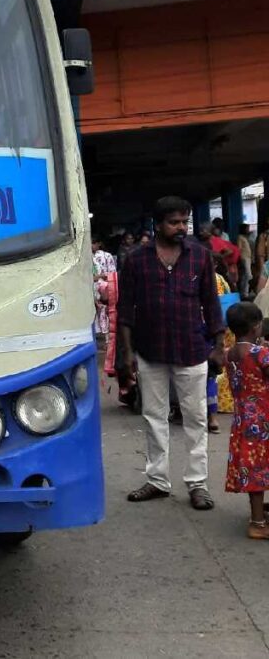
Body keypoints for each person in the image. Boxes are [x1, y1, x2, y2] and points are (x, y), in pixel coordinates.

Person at [117, 195, 224, 510]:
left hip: (192, 348)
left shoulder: (200, 257)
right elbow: (125, 310)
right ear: (158, 224)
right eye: (174, 222)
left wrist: (219, 346)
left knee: (195, 418)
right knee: (154, 417)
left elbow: (211, 303)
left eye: (184, 222)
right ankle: (157, 481)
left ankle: (197, 484)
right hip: (150, 350)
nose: (180, 227)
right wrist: (125, 353)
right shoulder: (136, 260)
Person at [223, 301, 269, 540]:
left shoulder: (229, 354)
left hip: (242, 420)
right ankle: (258, 523)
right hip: (262, 420)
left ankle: (259, 514)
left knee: (253, 469)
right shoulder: (260, 353)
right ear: (255, 326)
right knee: (260, 469)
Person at [238, 223, 253, 297]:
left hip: (248, 258)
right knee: (248, 275)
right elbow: (239, 249)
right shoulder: (240, 237)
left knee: (245, 276)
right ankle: (245, 293)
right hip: (244, 258)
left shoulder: (245, 237)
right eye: (247, 228)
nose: (248, 230)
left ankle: (243, 293)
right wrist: (240, 259)